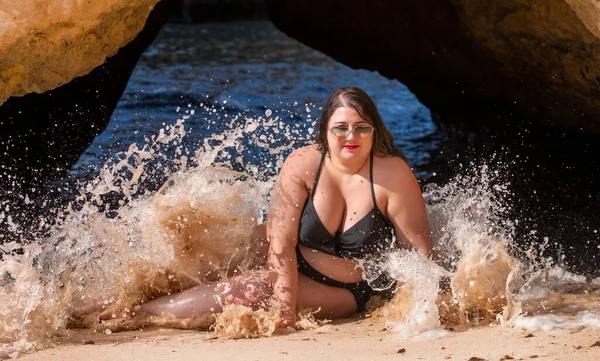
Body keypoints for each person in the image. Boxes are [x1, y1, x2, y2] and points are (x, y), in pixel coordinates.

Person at [97, 87, 432, 327]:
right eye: (340, 128)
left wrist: (422, 308)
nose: (351, 137)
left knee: (254, 287)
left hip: (347, 288)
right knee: (202, 265)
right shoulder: (302, 163)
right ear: (325, 132)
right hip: (290, 254)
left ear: (375, 132)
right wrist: (287, 304)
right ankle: (102, 301)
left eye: (362, 128)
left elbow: (418, 255)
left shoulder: (392, 175)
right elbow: (281, 242)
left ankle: (141, 312)